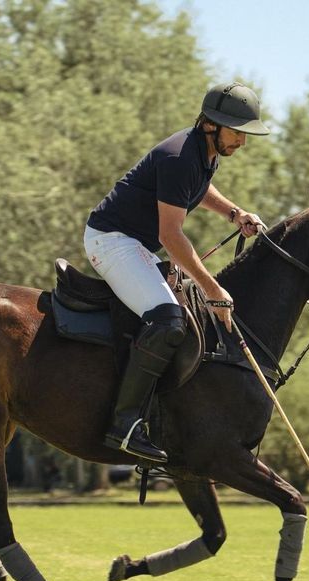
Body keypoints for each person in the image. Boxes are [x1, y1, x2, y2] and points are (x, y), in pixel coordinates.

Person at [84, 82, 270, 464]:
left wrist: (235, 213)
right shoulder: (179, 156)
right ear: (211, 125)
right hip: (111, 241)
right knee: (168, 319)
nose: (242, 142)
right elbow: (170, 236)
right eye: (237, 132)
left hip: (135, 244)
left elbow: (198, 189)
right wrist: (213, 287)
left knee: (186, 312)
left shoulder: (204, 153)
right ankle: (124, 424)